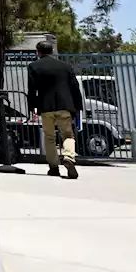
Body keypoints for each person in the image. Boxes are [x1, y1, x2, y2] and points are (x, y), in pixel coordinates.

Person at [28, 40, 83, 179]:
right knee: (68, 135)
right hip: (64, 105)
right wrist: (77, 106)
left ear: (38, 52)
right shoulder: (65, 66)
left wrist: (32, 107)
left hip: (46, 107)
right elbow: (74, 87)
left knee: (49, 137)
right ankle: (69, 157)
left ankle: (53, 167)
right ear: (52, 51)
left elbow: (32, 89)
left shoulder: (34, 66)